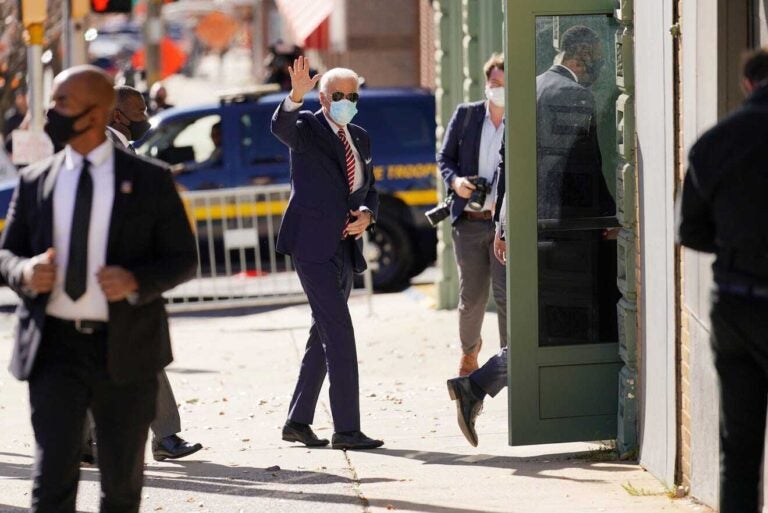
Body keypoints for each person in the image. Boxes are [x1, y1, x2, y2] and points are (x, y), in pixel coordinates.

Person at [0, 65, 197, 512]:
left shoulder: (150, 180)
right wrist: (26, 271)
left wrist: (135, 281)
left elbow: (183, 260)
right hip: (53, 352)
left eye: (61, 102)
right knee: (50, 484)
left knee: (121, 489)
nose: (51, 112)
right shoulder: (36, 181)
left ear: (97, 111)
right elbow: (5, 255)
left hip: (125, 352)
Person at [447, 25, 616, 447]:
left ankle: (477, 387)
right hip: (567, 237)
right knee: (556, 332)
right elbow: (584, 171)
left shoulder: (529, 89)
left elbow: (509, 169)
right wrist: (608, 217)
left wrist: (504, 226)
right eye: (597, 56)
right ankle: (479, 386)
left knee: (542, 331)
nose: (600, 66)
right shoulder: (572, 95)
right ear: (583, 55)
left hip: (530, 232)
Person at [79, 84, 202, 464]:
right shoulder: (102, 150)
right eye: (140, 110)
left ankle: (161, 436)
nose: (145, 117)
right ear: (117, 115)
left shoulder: (120, 146)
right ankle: (102, 440)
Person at [271, 56, 383, 450]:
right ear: (323, 96)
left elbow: (368, 188)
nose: (347, 101)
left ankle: (297, 421)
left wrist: (367, 214)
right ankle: (347, 430)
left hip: (344, 247)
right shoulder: (306, 127)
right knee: (339, 333)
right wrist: (294, 96)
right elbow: (281, 126)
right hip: (312, 245)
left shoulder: (361, 137)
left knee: (322, 334)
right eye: (339, 95)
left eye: (353, 96)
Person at [677, 47, 768, 513]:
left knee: (740, 446)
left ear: (747, 85)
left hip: (733, 302)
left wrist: (736, 243)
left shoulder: (715, 143)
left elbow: (688, 230)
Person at [437, 53, 507, 376]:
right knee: (472, 298)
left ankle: (510, 358)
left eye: (505, 85)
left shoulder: (518, 122)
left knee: (506, 296)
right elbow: (445, 158)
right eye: (495, 84)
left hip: (503, 227)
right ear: (486, 84)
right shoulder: (466, 116)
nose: (499, 90)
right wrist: (457, 181)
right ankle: (469, 354)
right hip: (469, 223)